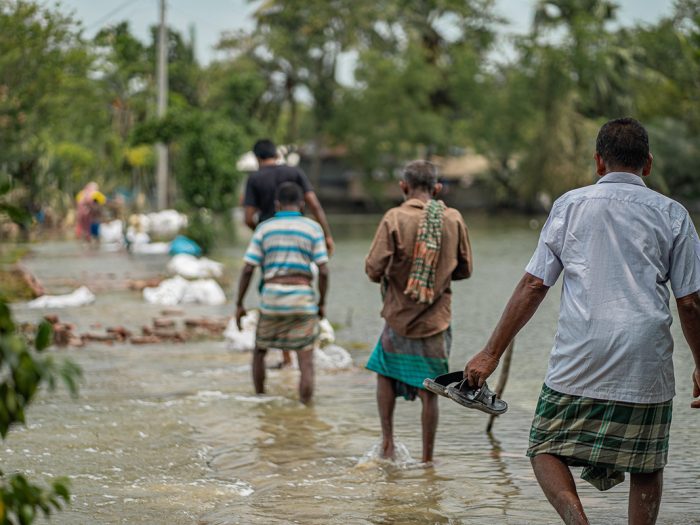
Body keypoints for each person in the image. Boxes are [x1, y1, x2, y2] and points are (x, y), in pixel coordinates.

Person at [463, 118, 700, 524]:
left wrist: (490, 353)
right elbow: (691, 302)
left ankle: (578, 522)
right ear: (648, 164)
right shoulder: (673, 215)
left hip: (581, 353)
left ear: (598, 162)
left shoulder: (570, 205)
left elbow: (535, 284)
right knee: (645, 464)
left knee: (544, 447)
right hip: (646, 356)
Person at [365, 160, 472, 463]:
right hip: (436, 319)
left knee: (385, 374)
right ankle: (427, 459)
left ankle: (387, 444)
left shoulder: (394, 218)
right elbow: (465, 269)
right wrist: (437, 274)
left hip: (398, 315)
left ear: (404, 186)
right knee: (431, 387)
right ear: (437, 189)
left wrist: (397, 276)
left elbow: (373, 269)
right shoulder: (452, 218)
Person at [235, 182, 329, 405]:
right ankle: (306, 410)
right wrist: (322, 302)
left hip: (272, 300)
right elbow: (323, 271)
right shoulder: (313, 228)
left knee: (260, 351)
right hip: (302, 300)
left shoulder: (264, 228)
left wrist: (239, 303)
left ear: (277, 204)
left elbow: (249, 268)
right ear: (302, 204)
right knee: (305, 359)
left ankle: (260, 400)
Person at [243, 139, 335, 256]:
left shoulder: (254, 179)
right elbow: (314, 205)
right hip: (299, 234)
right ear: (276, 155)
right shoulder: (295, 172)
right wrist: (327, 236)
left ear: (257, 158)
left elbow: (248, 219)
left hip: (271, 243)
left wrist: (263, 233)